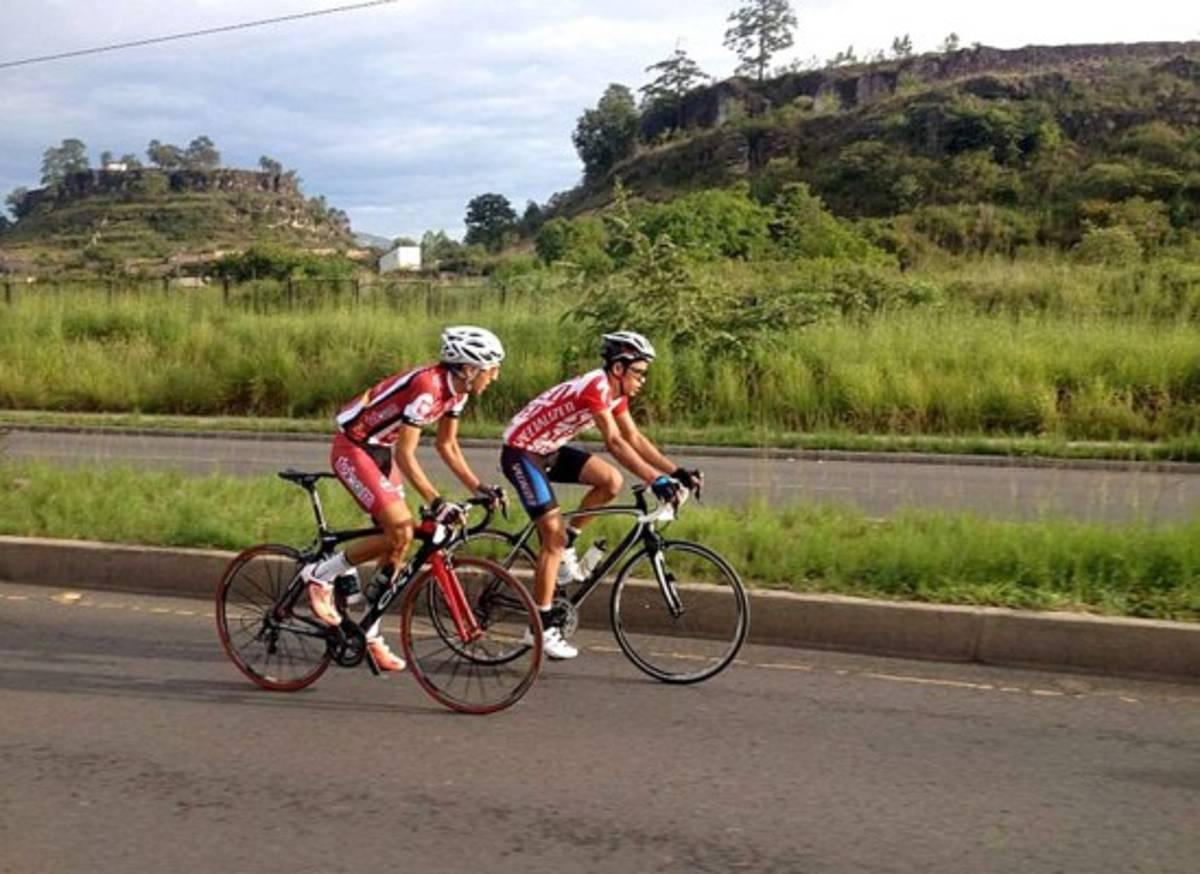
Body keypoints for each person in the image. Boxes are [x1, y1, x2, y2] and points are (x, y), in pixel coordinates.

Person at [300, 325, 507, 672]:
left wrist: (479, 487)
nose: (495, 377)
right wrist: (436, 500)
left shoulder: (458, 392)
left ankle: (369, 632)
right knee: (400, 528)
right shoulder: (428, 387)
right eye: (492, 368)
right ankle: (320, 575)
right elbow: (407, 454)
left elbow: (447, 445)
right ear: (469, 368)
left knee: (399, 545)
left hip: (380, 450)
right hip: (354, 448)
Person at [499, 330, 701, 660]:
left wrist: (675, 472)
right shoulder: (596, 386)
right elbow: (615, 442)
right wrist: (655, 480)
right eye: (639, 372)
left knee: (610, 481)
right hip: (522, 453)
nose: (643, 380)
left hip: (549, 449)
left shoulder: (616, 393)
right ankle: (540, 629)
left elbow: (633, 437)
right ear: (618, 369)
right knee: (551, 538)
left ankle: (570, 543)